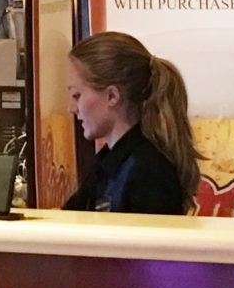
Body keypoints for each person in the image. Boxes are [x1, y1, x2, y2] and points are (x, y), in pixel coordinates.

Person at [62, 30, 195, 215]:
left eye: (77, 95)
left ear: (112, 96)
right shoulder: (108, 163)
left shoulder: (148, 171)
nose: (71, 108)